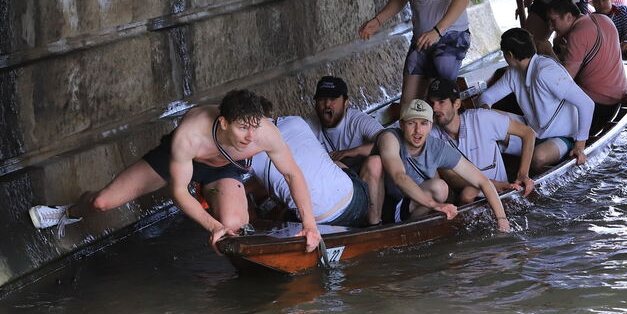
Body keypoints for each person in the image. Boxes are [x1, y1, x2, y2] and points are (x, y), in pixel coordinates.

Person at [28, 89, 322, 253]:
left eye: (254, 127)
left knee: (234, 223)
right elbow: (178, 191)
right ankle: (70, 209)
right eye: (242, 127)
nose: (250, 136)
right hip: (179, 163)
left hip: (221, 173)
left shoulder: (265, 133)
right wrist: (211, 226)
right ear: (223, 123)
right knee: (102, 203)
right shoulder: (190, 134)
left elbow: (293, 175)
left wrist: (309, 224)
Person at [365, 99, 510, 231]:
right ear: (402, 125)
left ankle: (407, 229)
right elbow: (399, 176)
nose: (417, 130)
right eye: (411, 123)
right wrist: (435, 205)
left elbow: (482, 181)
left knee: (440, 188)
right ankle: (374, 228)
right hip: (376, 202)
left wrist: (502, 219)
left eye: (423, 123)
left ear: (430, 126)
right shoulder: (390, 137)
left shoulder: (437, 148)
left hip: (404, 208)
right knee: (374, 162)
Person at [478, 28, 594, 173]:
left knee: (538, 157)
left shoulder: (546, 71)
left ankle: (514, 173)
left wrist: (580, 145)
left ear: (509, 55)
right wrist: (485, 112)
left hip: (562, 136)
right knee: (482, 118)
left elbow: (587, 104)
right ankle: (492, 175)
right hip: (531, 130)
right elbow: (486, 97)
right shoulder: (513, 73)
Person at [424, 78, 536, 202]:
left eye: (441, 102)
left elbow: (528, 133)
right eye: (432, 103)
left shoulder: (481, 118)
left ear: (456, 104)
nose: (434, 108)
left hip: (505, 194)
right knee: (468, 193)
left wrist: (523, 174)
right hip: (469, 200)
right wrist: (492, 184)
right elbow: (451, 178)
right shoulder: (430, 135)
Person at [251, 115, 371, 229]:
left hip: (321, 225)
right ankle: (375, 222)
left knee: (281, 212)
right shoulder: (295, 121)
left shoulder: (250, 158)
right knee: (335, 164)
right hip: (357, 203)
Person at [546, 0, 627, 133]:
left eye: (553, 21)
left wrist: (548, 51)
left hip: (598, 101)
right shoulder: (604, 19)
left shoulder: (576, 35)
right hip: (621, 92)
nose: (550, 27)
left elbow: (564, 80)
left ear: (568, 16)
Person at [306, 76, 385, 170]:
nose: (327, 104)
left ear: (346, 103)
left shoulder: (357, 120)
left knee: (375, 162)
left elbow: (391, 143)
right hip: (331, 180)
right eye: (321, 99)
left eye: (333, 99)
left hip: (363, 178)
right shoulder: (306, 128)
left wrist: (351, 152)